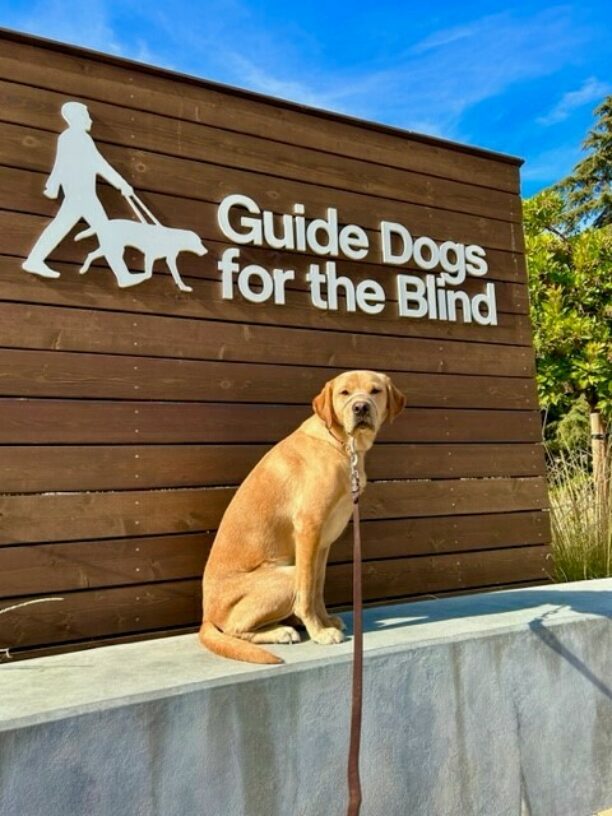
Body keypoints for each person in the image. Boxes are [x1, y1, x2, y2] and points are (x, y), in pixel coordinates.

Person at [22, 101, 134, 278]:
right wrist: (122, 185)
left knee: (96, 230)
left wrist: (54, 184)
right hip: (82, 194)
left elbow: (61, 164)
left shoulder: (70, 137)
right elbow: (99, 164)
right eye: (86, 115)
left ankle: (122, 275)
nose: (90, 119)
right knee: (103, 232)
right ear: (77, 118)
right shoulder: (77, 137)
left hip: (80, 194)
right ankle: (122, 275)